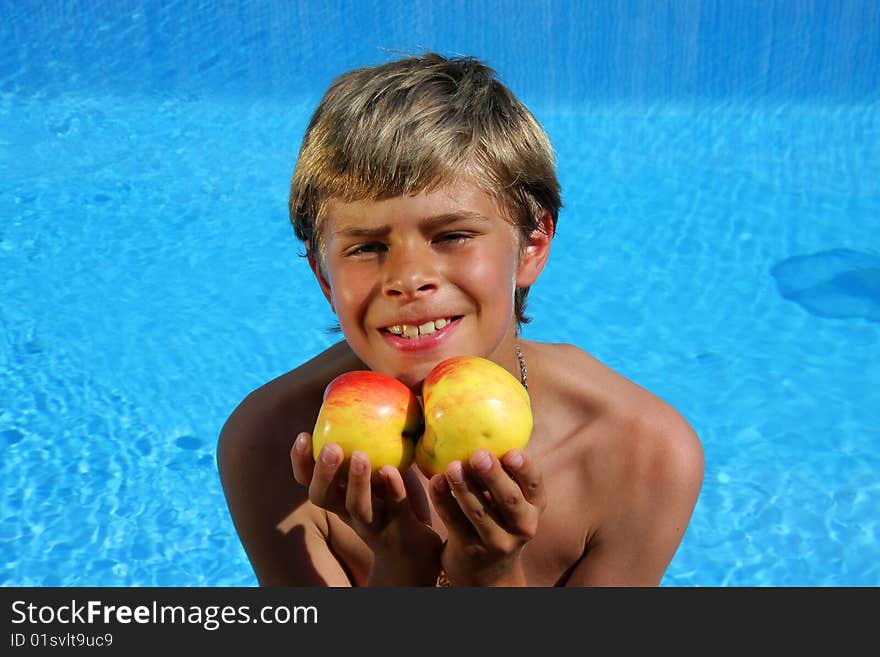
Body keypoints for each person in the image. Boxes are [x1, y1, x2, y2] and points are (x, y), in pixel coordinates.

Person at [217, 52, 704, 587]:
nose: (408, 277)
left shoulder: (639, 454)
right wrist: (399, 567)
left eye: (452, 236)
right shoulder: (274, 446)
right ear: (324, 276)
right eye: (367, 246)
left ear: (532, 245)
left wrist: (492, 576)